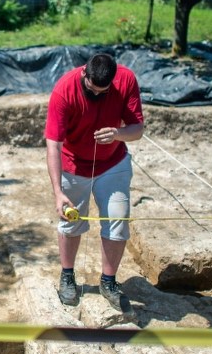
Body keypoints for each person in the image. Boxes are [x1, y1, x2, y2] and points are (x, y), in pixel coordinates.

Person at [44, 52, 144, 318]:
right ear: (84, 74)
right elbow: (53, 144)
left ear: (113, 81)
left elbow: (138, 129)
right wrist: (58, 193)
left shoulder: (126, 80)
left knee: (117, 219)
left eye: (104, 91)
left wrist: (117, 135)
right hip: (74, 165)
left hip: (113, 163)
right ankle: (67, 275)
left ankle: (108, 281)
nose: (97, 95)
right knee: (71, 220)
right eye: (92, 90)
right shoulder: (64, 91)